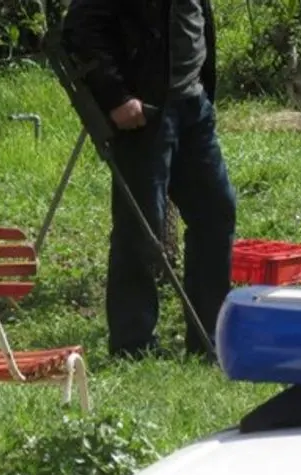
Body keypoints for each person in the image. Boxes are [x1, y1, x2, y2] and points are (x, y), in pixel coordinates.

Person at [61, 0, 237, 361]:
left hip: (194, 106)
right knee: (140, 226)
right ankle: (133, 344)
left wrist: (204, 89)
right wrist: (116, 96)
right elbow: (80, 28)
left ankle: (209, 337)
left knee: (216, 212)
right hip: (145, 114)